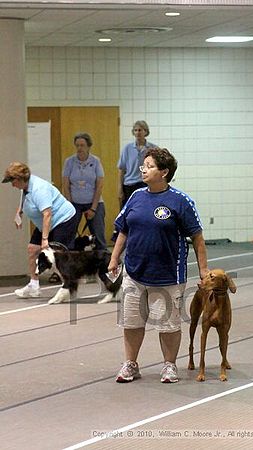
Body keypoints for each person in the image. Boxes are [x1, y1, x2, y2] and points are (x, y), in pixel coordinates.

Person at [108, 147, 209, 384]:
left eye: (150, 166)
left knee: (168, 324)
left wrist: (204, 269)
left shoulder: (181, 201)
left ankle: (169, 365)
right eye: (144, 165)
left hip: (168, 275)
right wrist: (114, 258)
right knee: (132, 321)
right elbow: (124, 228)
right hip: (134, 271)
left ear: (164, 172)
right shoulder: (136, 196)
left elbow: (197, 237)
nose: (143, 169)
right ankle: (131, 364)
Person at [2, 161, 77, 298]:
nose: (12, 185)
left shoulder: (38, 189)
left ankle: (69, 285)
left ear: (20, 178)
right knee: (32, 249)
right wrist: (19, 212)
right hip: (45, 222)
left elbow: (47, 214)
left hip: (63, 219)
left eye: (12, 181)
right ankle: (34, 286)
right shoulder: (25, 187)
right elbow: (25, 199)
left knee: (57, 254)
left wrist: (45, 239)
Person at [63, 132, 107, 250]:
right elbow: (66, 184)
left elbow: (99, 185)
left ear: (88, 146)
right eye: (77, 145)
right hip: (74, 203)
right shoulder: (69, 162)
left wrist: (93, 207)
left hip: (93, 202)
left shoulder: (96, 161)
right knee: (69, 235)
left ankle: (103, 261)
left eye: (82, 145)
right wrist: (69, 205)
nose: (79, 148)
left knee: (98, 235)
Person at [117, 120, 156, 208]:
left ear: (145, 132)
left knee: (145, 210)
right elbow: (121, 169)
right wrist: (120, 188)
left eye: (140, 130)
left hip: (146, 184)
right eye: (136, 130)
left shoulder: (153, 148)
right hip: (129, 184)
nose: (138, 132)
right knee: (128, 210)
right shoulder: (127, 148)